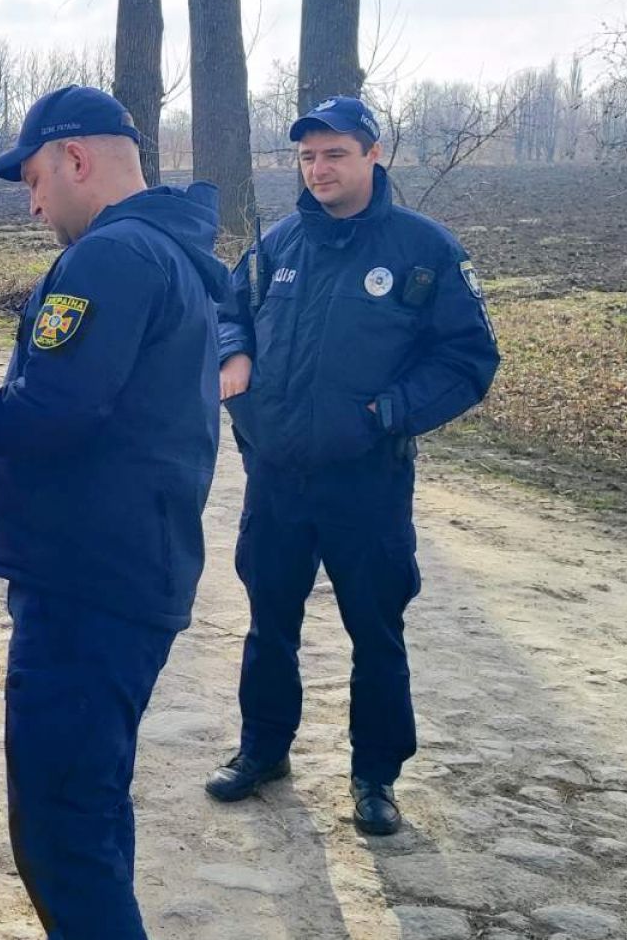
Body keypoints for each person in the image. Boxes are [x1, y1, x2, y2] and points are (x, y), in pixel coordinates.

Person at [0, 85, 231, 938]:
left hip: (89, 586)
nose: (33, 205)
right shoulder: (166, 249)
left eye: (34, 180)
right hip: (125, 569)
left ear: (76, 158)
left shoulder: (112, 256)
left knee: (61, 829)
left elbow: (54, 408)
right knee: (90, 808)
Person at [203, 95, 501, 836]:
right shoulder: (277, 246)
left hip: (367, 481)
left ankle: (376, 776)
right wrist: (234, 354)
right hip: (277, 477)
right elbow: (229, 312)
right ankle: (263, 749)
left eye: (335, 153)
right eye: (307, 156)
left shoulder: (424, 251)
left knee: (376, 631)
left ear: (373, 154)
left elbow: (468, 359)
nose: (319, 169)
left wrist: (386, 413)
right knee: (270, 623)